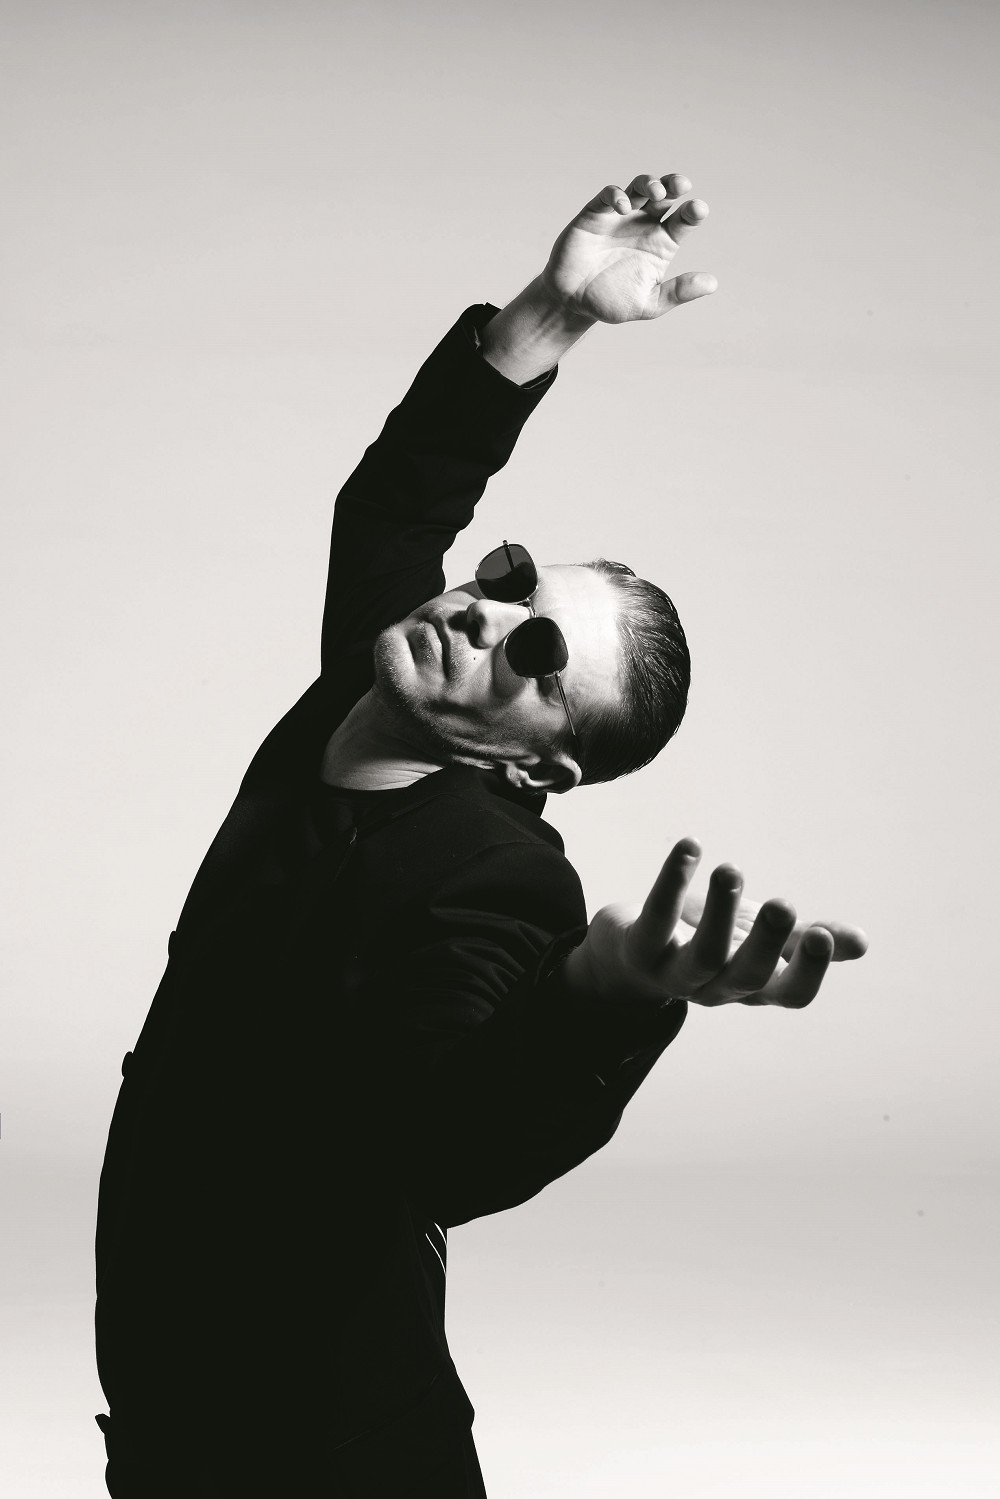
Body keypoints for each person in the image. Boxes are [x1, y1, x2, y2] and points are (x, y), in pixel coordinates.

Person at [94, 171, 868, 1498]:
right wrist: (552, 316)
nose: (485, 616)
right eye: (514, 582)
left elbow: (446, 1144)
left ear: (537, 765)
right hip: (168, 1411)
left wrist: (605, 989)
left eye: (539, 654)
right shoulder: (371, 683)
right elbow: (396, 508)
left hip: (325, 1455)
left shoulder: (498, 880)